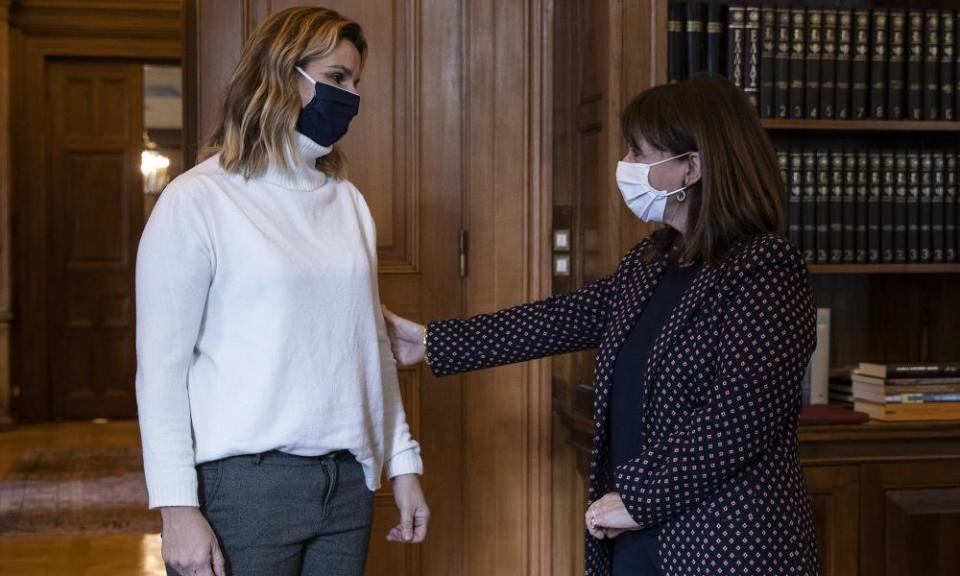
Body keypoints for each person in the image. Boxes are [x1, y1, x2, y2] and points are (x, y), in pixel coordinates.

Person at [383, 74, 820, 575]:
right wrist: (432, 341)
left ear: (691, 168)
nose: (625, 166)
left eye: (638, 152)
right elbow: (560, 319)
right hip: (637, 536)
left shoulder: (767, 269)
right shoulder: (654, 260)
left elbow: (739, 419)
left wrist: (638, 497)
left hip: (723, 542)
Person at [136, 7, 428, 576]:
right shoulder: (198, 200)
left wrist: (403, 465)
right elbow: (161, 371)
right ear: (280, 74)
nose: (349, 97)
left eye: (355, 83)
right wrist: (176, 509)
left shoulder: (347, 202)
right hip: (243, 489)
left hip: (346, 485)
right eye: (336, 78)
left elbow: (370, 348)